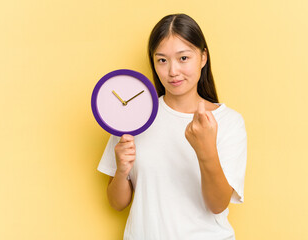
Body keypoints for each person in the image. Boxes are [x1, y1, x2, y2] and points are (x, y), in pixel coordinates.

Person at [97, 13, 247, 240]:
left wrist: (206, 150)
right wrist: (121, 171)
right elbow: (117, 203)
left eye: (183, 58)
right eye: (162, 60)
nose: (173, 71)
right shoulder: (133, 117)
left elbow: (217, 205)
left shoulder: (228, 122)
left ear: (203, 57)